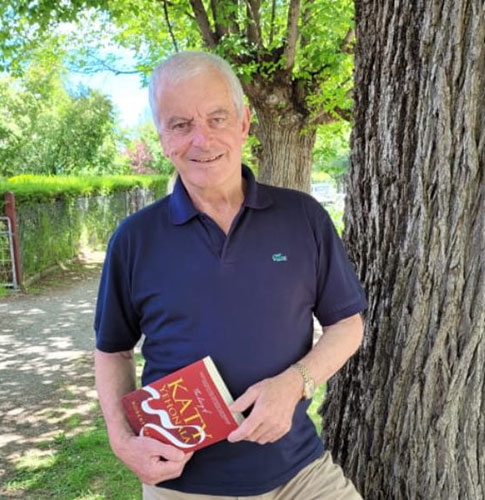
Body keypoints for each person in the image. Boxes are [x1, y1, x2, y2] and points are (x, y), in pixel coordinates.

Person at [94, 51, 367, 499]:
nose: (201, 140)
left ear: (243, 124)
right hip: (184, 483)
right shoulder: (134, 239)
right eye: (180, 124)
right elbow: (112, 352)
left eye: (217, 118)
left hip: (301, 472)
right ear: (163, 138)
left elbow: (348, 325)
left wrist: (295, 382)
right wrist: (121, 439)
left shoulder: (302, 218)